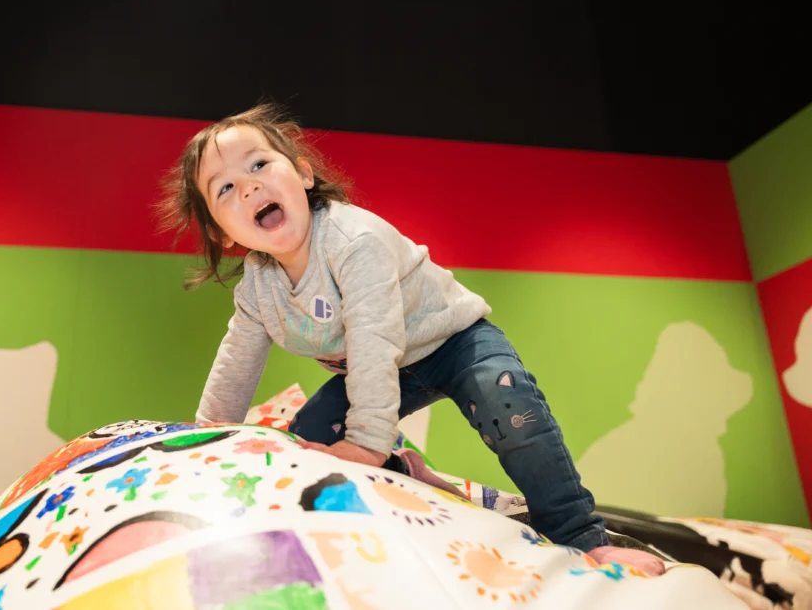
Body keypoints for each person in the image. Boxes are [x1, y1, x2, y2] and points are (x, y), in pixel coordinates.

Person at [156, 104, 664, 575]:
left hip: (454, 341)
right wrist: (207, 442)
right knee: (312, 438)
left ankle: (582, 535)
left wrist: (368, 444)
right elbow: (235, 365)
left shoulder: (354, 242)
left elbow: (376, 339)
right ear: (224, 234)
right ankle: (406, 471)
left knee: (508, 408)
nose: (247, 187)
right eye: (224, 188)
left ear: (304, 174)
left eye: (260, 165)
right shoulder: (258, 289)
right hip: (382, 369)